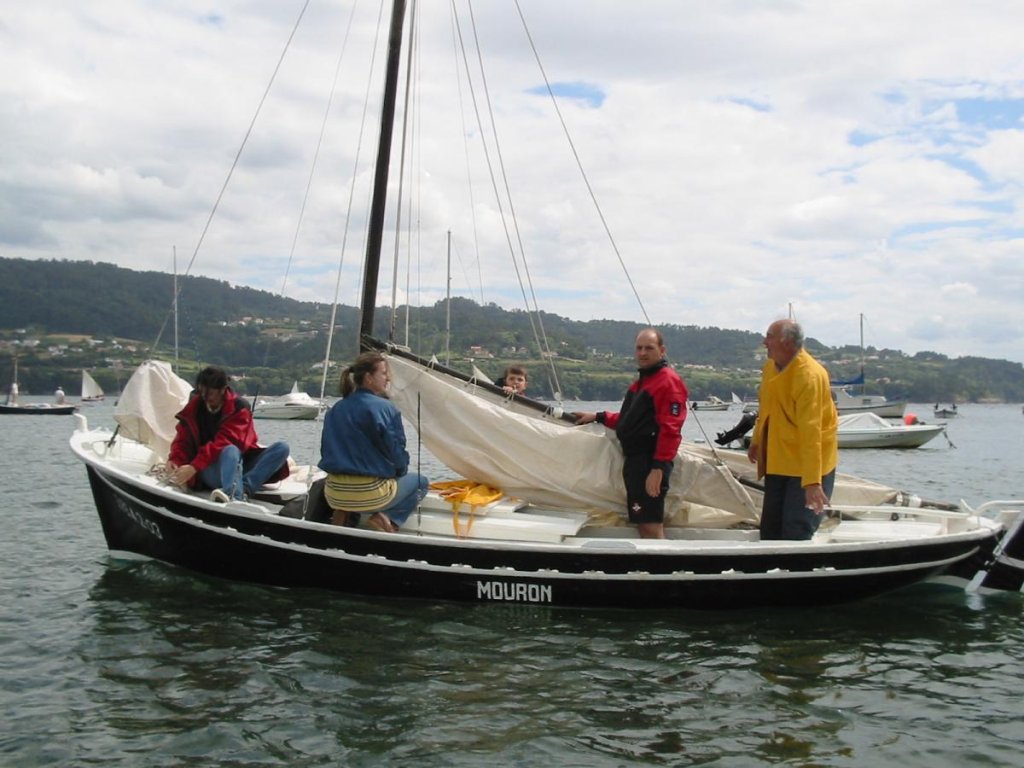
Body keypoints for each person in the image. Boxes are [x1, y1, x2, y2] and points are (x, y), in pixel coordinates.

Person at [573, 328, 688, 539]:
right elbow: (631, 421)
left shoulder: (667, 382)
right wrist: (598, 416)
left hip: (649, 462)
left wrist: (658, 468)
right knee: (642, 522)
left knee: (650, 525)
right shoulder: (643, 382)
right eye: (639, 348)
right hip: (636, 461)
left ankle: (661, 569)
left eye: (649, 348)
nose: (643, 353)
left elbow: (671, 429)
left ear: (662, 351)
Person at [746, 319, 838, 540]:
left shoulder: (809, 376)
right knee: (770, 529)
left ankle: (799, 571)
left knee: (796, 529)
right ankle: (769, 573)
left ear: (786, 342)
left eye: (769, 336)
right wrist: (757, 441)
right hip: (779, 458)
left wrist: (813, 483)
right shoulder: (770, 366)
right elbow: (766, 406)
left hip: (808, 464)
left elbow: (811, 432)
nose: (764, 341)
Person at [319, 351, 429, 533]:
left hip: (334, 493)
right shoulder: (385, 408)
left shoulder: (336, 409)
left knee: (351, 477)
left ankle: (342, 514)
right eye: (384, 373)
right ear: (369, 378)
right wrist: (399, 473)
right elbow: (396, 453)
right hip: (370, 495)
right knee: (420, 482)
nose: (388, 379)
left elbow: (327, 450)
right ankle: (386, 519)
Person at [166, 366, 291, 501]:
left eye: (210, 394)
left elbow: (227, 441)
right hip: (208, 467)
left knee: (282, 448)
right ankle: (235, 495)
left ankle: (244, 489)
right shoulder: (195, 407)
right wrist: (175, 460)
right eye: (202, 392)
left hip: (236, 463)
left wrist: (193, 467)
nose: (205, 397)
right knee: (230, 451)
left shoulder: (239, 408)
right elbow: (183, 438)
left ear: (223, 390)